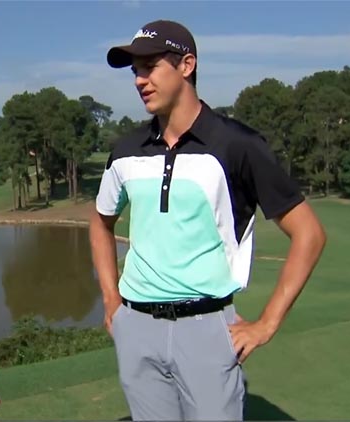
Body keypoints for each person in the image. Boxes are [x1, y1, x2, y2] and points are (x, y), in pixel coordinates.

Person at [89, 20, 326, 421]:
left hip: (206, 327)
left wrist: (267, 323)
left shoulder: (238, 145)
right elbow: (100, 222)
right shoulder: (126, 150)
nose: (139, 80)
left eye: (150, 66)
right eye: (135, 71)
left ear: (186, 65)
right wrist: (113, 301)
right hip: (136, 327)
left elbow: (309, 234)